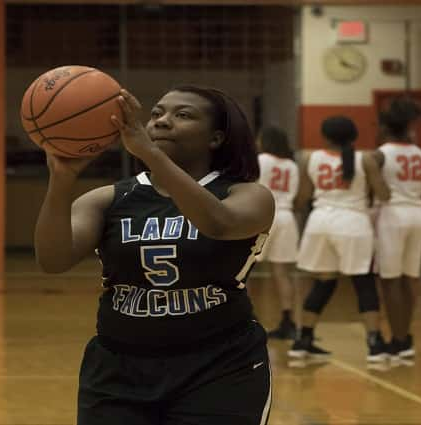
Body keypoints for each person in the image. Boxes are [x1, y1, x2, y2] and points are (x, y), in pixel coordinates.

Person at [35, 86, 274, 425]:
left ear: (216, 138)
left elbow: (218, 224)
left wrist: (150, 154)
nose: (163, 121)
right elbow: (53, 260)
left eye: (183, 115)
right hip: (119, 368)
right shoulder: (110, 198)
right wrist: (61, 180)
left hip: (220, 366)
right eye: (157, 113)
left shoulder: (247, 194)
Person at [289, 116, 391, 362]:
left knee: (323, 283)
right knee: (364, 283)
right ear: (354, 136)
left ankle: (303, 340)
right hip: (353, 224)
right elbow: (384, 195)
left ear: (324, 136)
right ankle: (375, 344)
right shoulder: (364, 159)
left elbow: (301, 198)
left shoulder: (309, 158)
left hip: (319, 223)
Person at [373, 96, 421, 359]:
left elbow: (379, 192)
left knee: (390, 280)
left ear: (385, 127)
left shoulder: (381, 154)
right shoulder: (420, 153)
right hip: (418, 213)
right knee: (410, 278)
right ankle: (406, 339)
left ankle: (398, 338)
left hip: (393, 216)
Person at [255, 126, 300, 339]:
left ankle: (245, 320)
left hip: (264, 216)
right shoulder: (292, 164)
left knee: (241, 271)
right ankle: (288, 320)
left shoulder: (261, 160)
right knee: (282, 272)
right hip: (287, 217)